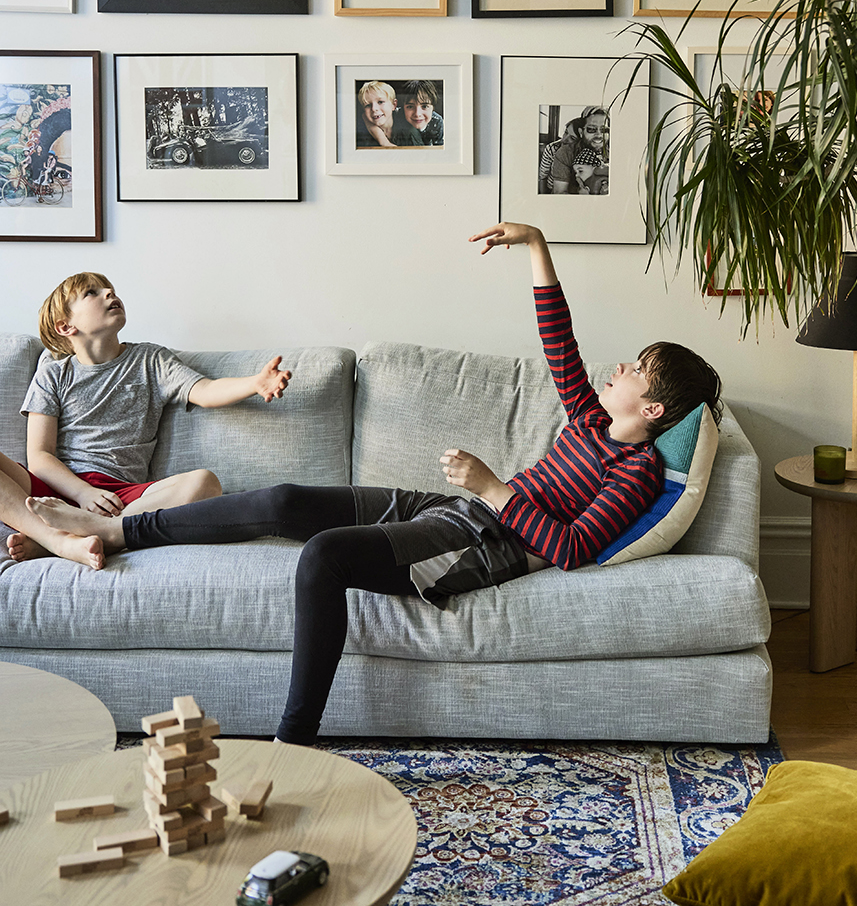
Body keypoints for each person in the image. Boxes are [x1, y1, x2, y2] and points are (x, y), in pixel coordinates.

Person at [23, 223, 722, 746]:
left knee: (323, 555)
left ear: (654, 410)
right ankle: (118, 529)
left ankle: (294, 741)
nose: (618, 368)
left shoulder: (638, 473)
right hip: (463, 507)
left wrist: (493, 487)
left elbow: (570, 547)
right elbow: (559, 341)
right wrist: (537, 246)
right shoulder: (590, 418)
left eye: (635, 369)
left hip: (486, 538)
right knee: (284, 501)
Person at [2, 272, 291, 566]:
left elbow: (204, 390)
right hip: (59, 490)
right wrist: (83, 493)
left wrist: (254, 383)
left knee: (206, 483)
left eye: (109, 289)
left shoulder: (150, 360)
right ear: (66, 326)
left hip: (123, 497)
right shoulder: (53, 373)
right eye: (92, 293)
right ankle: (56, 540)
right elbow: (39, 455)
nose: (108, 294)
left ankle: (98, 534)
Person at [539, 107, 608, 195]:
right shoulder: (562, 152)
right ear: (581, 132)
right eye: (591, 129)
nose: (599, 135)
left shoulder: (617, 150)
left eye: (604, 130)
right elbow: (557, 190)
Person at [355, 81, 424, 149]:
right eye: (368, 105)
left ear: (393, 105)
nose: (373, 109)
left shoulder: (410, 132)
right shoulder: (360, 134)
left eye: (380, 102)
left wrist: (385, 143)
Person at [399, 80, 444, 147]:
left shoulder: (437, 121)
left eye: (424, 106)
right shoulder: (397, 115)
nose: (417, 113)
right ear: (403, 107)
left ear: (433, 108)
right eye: (410, 107)